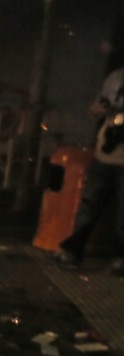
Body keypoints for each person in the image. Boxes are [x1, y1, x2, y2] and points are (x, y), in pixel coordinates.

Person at [55, 62, 124, 274]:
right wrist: (101, 110)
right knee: (89, 204)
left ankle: (120, 259)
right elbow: (98, 106)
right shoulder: (117, 77)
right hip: (105, 154)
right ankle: (73, 250)